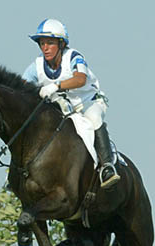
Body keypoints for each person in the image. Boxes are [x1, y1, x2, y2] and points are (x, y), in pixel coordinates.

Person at [22, 18, 120, 189]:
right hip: (65, 107)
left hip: (88, 102)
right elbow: (22, 84)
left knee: (94, 119)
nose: (45, 48)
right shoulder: (36, 65)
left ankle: (107, 166)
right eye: (42, 43)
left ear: (61, 44)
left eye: (50, 43)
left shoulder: (74, 57)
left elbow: (80, 79)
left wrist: (56, 86)